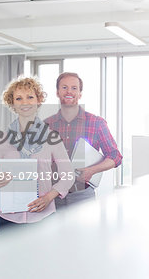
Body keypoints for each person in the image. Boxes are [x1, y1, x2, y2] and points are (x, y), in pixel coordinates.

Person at [0, 76, 74, 225]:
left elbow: (68, 175)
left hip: (43, 217)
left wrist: (48, 197)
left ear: (38, 100)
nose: (25, 102)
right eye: (18, 98)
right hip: (9, 218)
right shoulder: (2, 139)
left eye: (30, 97)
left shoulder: (52, 138)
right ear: (12, 103)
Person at [45, 72, 122, 206]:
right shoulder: (46, 125)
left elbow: (115, 156)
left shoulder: (96, 123)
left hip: (82, 197)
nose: (69, 91)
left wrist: (92, 170)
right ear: (57, 92)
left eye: (74, 88)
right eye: (64, 87)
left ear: (80, 93)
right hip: (52, 197)